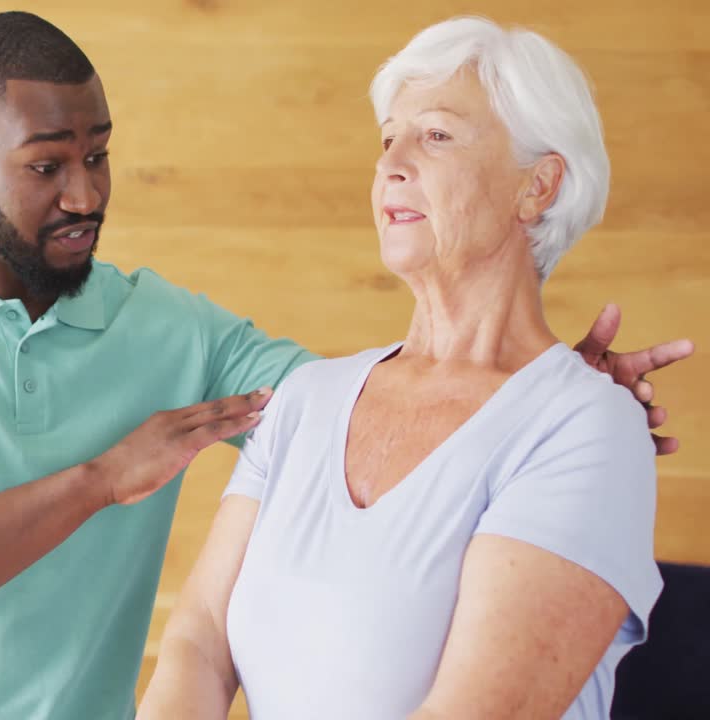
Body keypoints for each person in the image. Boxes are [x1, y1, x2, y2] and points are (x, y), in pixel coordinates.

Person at [0, 11, 692, 720]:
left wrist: (554, 397)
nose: (85, 193)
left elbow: (404, 413)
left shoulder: (187, 337)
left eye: (98, 156)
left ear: (540, 184)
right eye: (46, 166)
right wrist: (104, 477)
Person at [138, 16, 691, 720]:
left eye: (434, 135)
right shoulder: (307, 397)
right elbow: (197, 642)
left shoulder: (587, 427)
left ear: (538, 187)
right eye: (387, 138)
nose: (391, 162)